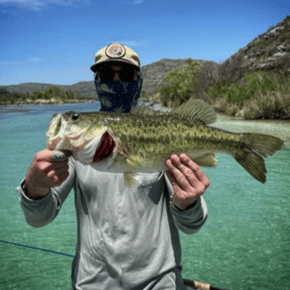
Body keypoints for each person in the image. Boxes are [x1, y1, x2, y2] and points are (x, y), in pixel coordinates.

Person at [17, 42, 209, 290]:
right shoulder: (73, 152)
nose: (116, 81)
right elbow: (39, 218)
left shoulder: (163, 134)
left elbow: (192, 224)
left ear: (138, 81)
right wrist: (34, 187)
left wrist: (188, 203)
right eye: (107, 74)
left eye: (126, 74)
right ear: (97, 81)